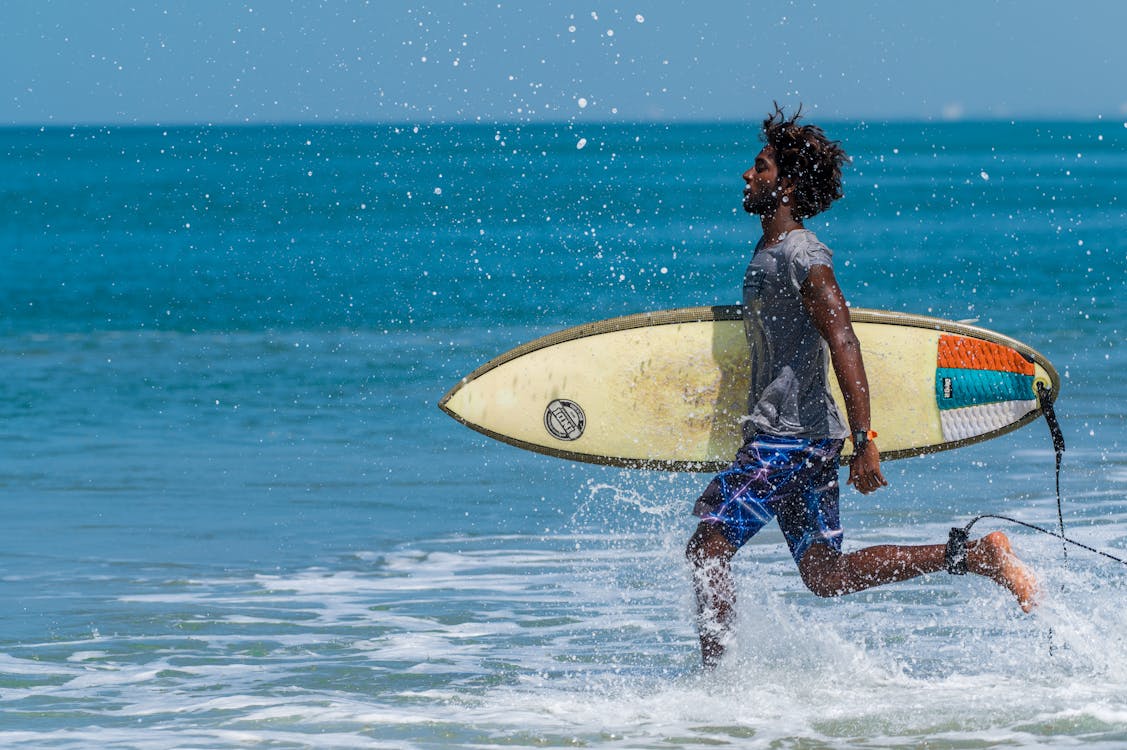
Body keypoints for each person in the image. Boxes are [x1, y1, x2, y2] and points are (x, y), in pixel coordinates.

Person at [684, 105, 1039, 668]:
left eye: (761, 168)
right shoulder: (771, 252)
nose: (747, 177)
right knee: (827, 574)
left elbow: (843, 342)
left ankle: (717, 685)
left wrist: (865, 437)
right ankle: (976, 557)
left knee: (708, 546)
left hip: (790, 439)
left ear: (788, 185)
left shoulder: (804, 256)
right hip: (799, 436)